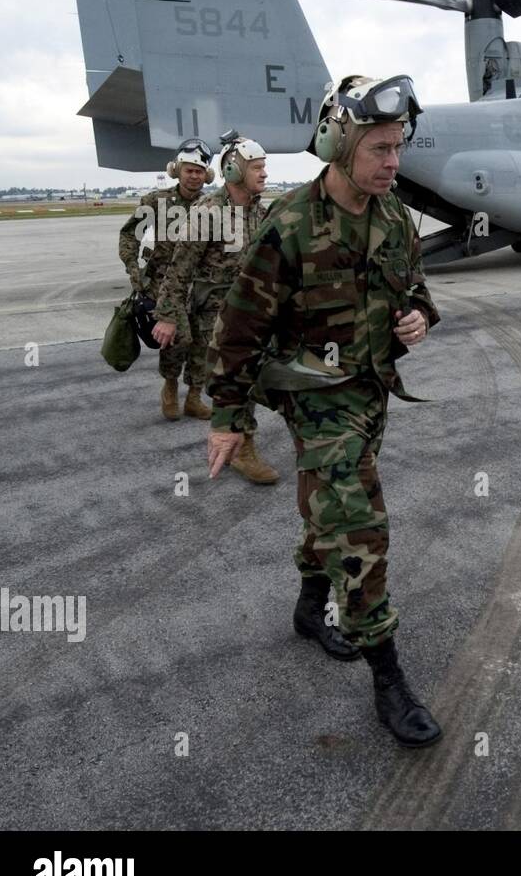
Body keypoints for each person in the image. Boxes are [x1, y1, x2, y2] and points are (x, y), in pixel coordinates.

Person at [205, 75, 443, 748]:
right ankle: (388, 676)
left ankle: (311, 608)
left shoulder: (394, 216)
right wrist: (228, 416)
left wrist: (420, 316)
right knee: (359, 522)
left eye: (398, 147)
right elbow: (239, 328)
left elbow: (421, 290)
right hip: (313, 400)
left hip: (371, 394)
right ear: (338, 144)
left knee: (326, 506)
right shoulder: (290, 225)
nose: (393, 162)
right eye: (379, 148)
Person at [154, 133, 278, 484]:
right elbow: (180, 269)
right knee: (235, 380)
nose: (264, 174)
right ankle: (242, 448)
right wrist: (168, 316)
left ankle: (238, 440)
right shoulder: (208, 212)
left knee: (250, 377)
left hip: (252, 313)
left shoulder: (261, 211)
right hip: (214, 313)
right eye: (257, 167)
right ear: (234, 171)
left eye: (264, 167)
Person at [119, 138, 213, 420]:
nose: (194, 176)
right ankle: (170, 387)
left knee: (203, 342)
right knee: (177, 340)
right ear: (177, 170)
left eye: (199, 171)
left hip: (202, 287)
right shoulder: (157, 202)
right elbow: (129, 235)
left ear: (207, 175)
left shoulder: (214, 205)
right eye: (189, 170)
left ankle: (194, 397)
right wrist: (134, 273)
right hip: (166, 287)